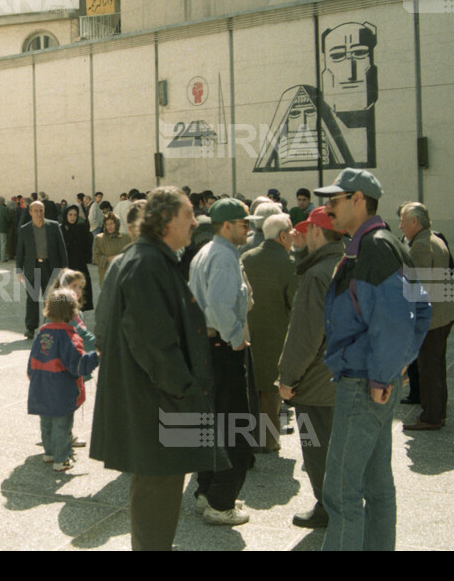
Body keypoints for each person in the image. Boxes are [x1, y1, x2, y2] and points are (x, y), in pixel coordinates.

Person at [90, 186, 229, 551]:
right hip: (160, 403)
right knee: (159, 491)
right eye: (188, 215)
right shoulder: (147, 263)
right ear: (166, 221)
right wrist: (188, 392)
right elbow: (155, 346)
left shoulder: (148, 258)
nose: (196, 221)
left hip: (156, 400)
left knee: (159, 492)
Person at [314, 168, 430, 551]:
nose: (327, 208)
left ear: (359, 199)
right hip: (373, 379)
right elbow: (422, 311)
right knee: (377, 485)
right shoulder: (379, 244)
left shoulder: (376, 247)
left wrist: (384, 375)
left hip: (365, 383)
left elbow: (399, 320)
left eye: (334, 200)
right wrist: (396, 367)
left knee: (341, 491)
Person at [277, 206, 346, 529]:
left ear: (318, 232)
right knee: (336, 445)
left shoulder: (317, 274)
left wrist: (287, 377)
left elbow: (304, 336)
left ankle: (328, 506)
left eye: (308, 230)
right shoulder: (346, 264)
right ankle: (340, 502)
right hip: (342, 373)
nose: (303, 236)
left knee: (317, 448)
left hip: (317, 381)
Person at [187, 198, 255, 526]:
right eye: (244, 224)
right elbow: (217, 304)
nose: (249, 228)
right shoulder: (225, 256)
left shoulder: (204, 252)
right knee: (235, 429)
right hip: (222, 349)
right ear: (226, 226)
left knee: (211, 426)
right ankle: (220, 501)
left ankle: (205, 492)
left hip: (206, 348)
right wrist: (234, 336)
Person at [399, 202, 454, 432]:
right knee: (436, 365)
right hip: (443, 312)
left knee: (429, 369)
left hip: (432, 317)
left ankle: (432, 416)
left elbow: (416, 285)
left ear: (415, 222)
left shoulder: (421, 245)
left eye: (403, 221)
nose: (401, 226)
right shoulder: (435, 238)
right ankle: (437, 411)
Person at [241, 212, 298, 453]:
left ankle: (249, 438)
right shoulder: (289, 263)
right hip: (277, 336)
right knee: (270, 392)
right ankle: (268, 440)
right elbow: (295, 304)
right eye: (291, 232)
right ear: (283, 235)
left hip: (247, 333)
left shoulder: (246, 257)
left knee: (250, 390)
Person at [28, 287, 100, 471]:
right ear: (72, 312)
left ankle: (49, 453)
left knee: (46, 423)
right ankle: (61, 459)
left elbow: (31, 363)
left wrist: (35, 379)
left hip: (41, 386)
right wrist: (96, 356)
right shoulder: (70, 337)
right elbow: (77, 365)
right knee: (62, 425)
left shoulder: (42, 332)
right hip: (61, 389)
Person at [16, 200, 68, 339]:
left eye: (41, 210)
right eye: (36, 211)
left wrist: (64, 267)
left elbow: (61, 248)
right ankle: (31, 328)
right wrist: (18, 270)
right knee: (32, 298)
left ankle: (50, 325)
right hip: (32, 268)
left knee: (50, 298)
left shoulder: (54, 226)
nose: (39, 213)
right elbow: (20, 251)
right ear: (30, 212)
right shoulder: (25, 229)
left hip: (51, 267)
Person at [60, 206, 94, 312]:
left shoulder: (82, 229)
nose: (72, 217)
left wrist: (83, 259)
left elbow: (88, 247)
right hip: (66, 267)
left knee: (80, 296)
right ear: (66, 215)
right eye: (70, 214)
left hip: (80, 266)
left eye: (75, 215)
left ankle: (79, 320)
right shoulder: (61, 229)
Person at [92, 212, 128, 287]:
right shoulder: (99, 238)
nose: (109, 226)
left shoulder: (126, 238)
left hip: (122, 276)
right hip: (106, 275)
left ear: (117, 224)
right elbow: (96, 258)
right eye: (107, 224)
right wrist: (111, 258)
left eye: (112, 223)